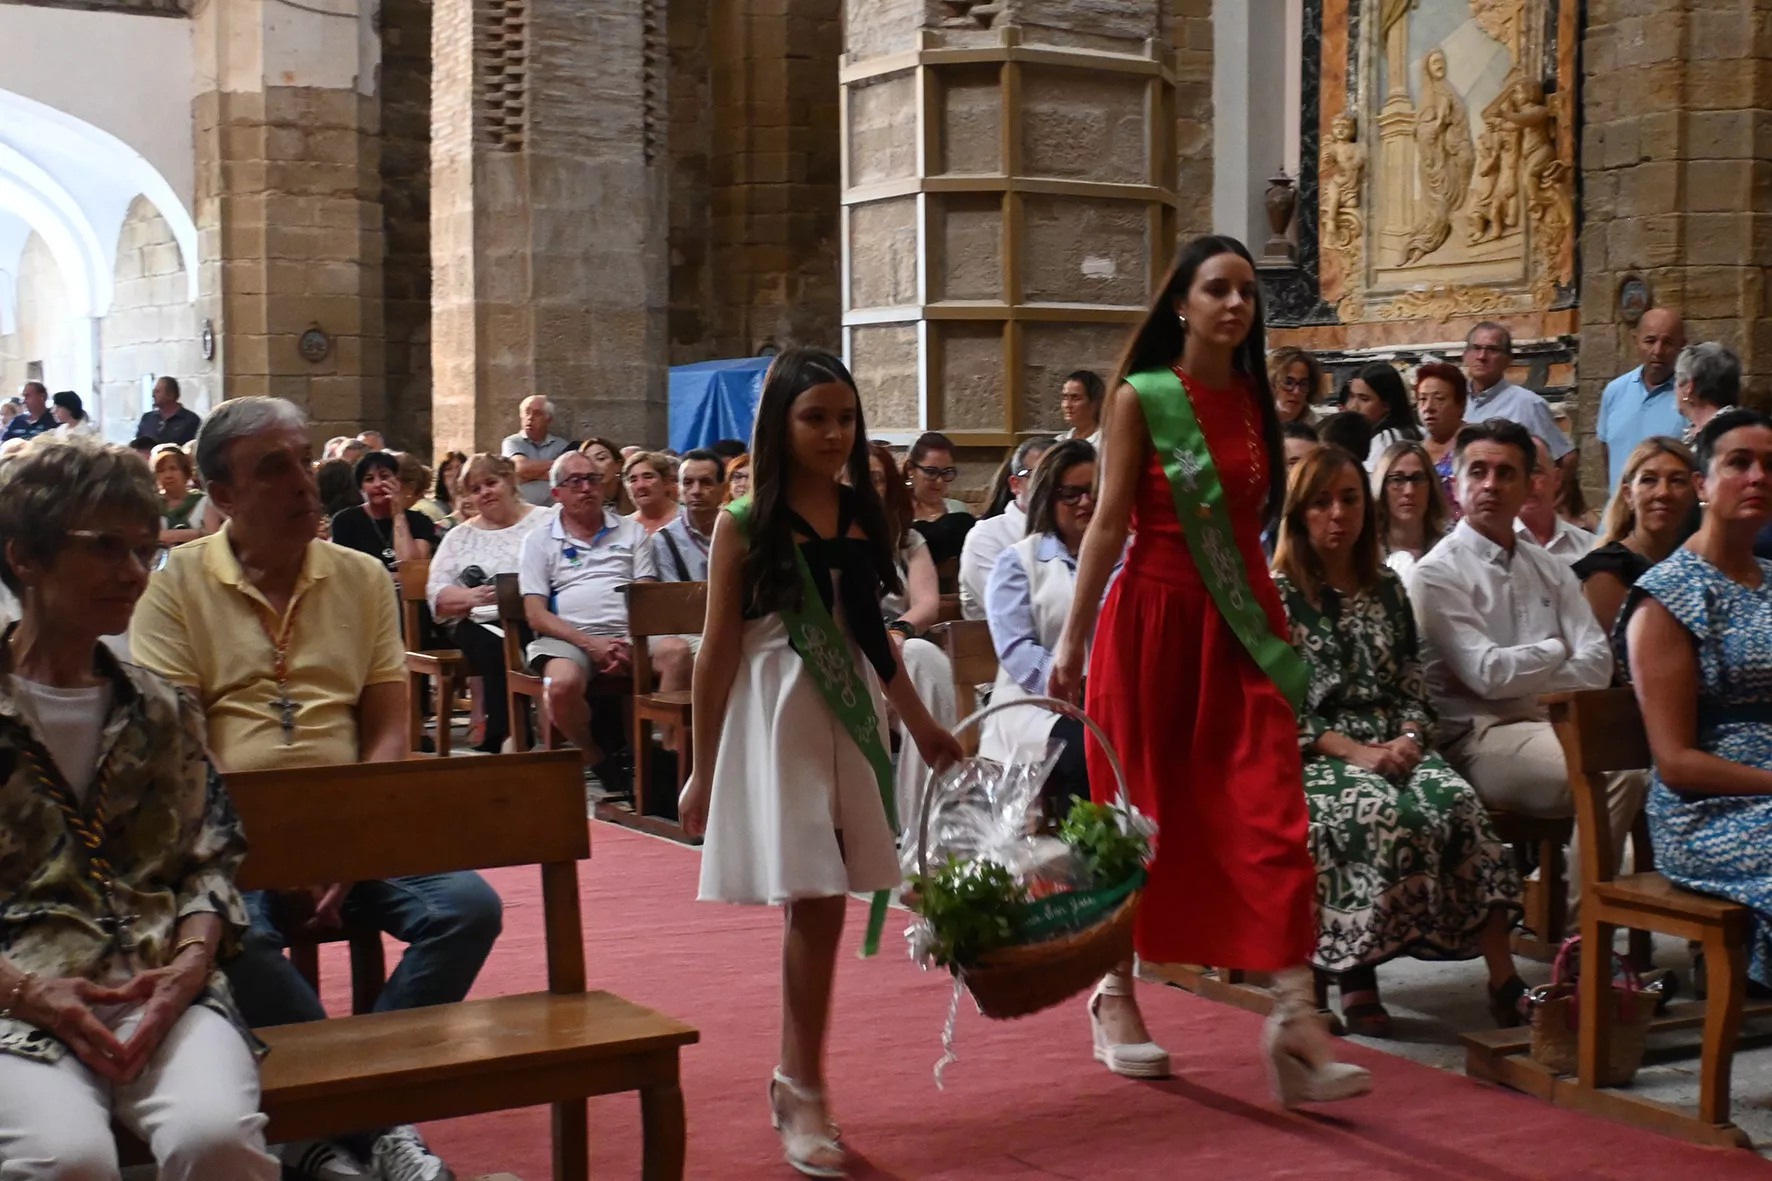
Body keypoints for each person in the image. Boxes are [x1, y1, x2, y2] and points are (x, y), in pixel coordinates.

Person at [131, 396, 493, 1181]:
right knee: (236, 935)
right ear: (221, 495)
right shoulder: (176, 586)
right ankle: (375, 1125)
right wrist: (277, 850)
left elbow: (389, 726)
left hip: (354, 821)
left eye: (303, 460)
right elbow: (185, 750)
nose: (304, 483)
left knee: (466, 908)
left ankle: (338, 1122)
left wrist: (351, 843)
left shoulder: (360, 577)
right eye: (274, 468)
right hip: (229, 839)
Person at [1048, 234, 1369, 1103]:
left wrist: (1278, 618)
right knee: (1139, 816)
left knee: (1270, 813)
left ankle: (1295, 1019)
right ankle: (1115, 996)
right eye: (1218, 289)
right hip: (1151, 620)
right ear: (1181, 302)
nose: (1236, 305)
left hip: (1237, 626)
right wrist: (1072, 642)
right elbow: (1108, 525)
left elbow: (1256, 530)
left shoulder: (1256, 398)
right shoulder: (1142, 397)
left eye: (1247, 293)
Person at [678, 349, 961, 1178]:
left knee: (829, 899)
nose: (835, 434)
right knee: (809, 889)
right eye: (815, 418)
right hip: (776, 708)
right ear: (780, 425)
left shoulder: (862, 512)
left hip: (846, 708)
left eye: (845, 418)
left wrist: (920, 724)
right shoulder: (743, 519)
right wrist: (700, 764)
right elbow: (717, 645)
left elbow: (872, 634)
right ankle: (800, 1086)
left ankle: (799, 1076)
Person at [0, 440, 279, 1181]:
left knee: (215, 1136)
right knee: (66, 1160)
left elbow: (209, 858)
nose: (134, 573)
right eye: (106, 548)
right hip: (15, 998)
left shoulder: (162, 706)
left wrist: (189, 968)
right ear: (24, 556)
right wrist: (30, 993)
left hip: (162, 984)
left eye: (146, 550)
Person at [1271, 444, 1524, 1035]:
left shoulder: (1386, 587)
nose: (1338, 514)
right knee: (1368, 811)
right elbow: (1276, 709)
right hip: (1313, 751)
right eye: (1322, 503)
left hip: (1394, 741)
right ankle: (1347, 973)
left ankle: (1504, 978)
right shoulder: (1276, 594)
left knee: (1456, 804)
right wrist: (1356, 753)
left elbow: (1414, 682)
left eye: (1350, 499)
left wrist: (1409, 737)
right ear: (1298, 513)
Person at [1406, 420, 1643, 887]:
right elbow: (1488, 675)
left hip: (1551, 727)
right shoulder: (1436, 573)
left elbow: (1597, 666)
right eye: (1478, 471)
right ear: (1457, 483)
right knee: (1615, 775)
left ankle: (1589, 920)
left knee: (1642, 767)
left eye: (1505, 473)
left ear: (1529, 485)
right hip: (1477, 739)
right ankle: (1581, 944)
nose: (1490, 485)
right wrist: (1557, 649)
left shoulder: (1551, 567)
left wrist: (1524, 685)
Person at [1625, 408, 1772, 991]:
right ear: (1704, 484)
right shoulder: (1668, 595)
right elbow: (1676, 761)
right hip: (1708, 812)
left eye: (1770, 465)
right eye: (1740, 463)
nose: (1759, 477)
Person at [981, 439, 1101, 815]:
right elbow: (1016, 647)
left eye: (1094, 492)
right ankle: (1084, 854)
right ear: (1049, 497)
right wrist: (1071, 687)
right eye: (1072, 494)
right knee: (1089, 752)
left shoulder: (1127, 556)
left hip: (1109, 698)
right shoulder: (1019, 561)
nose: (1086, 502)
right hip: (1034, 704)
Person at [518, 451, 647, 786]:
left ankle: (658, 761)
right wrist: (591, 645)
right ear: (557, 493)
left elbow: (648, 597)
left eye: (593, 479)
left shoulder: (632, 532)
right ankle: (596, 756)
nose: (586, 488)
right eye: (575, 482)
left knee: (679, 654)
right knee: (560, 686)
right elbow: (535, 614)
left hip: (632, 633)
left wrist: (628, 643)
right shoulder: (538, 540)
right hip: (568, 637)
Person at [427, 453, 548, 753]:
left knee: (527, 637)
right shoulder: (460, 536)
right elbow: (436, 592)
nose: (485, 493)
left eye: (491, 483)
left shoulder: (545, 520)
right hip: (478, 619)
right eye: (476, 489)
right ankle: (507, 732)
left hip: (536, 615)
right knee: (496, 643)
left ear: (509, 480)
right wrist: (470, 597)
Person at [866, 442, 957, 830]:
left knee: (923, 658)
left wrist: (898, 630)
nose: (867, 488)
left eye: (875, 479)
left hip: (899, 645)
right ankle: (927, 825)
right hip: (838, 652)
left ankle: (927, 824)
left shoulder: (905, 539)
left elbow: (926, 603)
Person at [1575, 437, 1696, 637]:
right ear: (1628, 494)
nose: (1663, 493)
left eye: (1677, 481)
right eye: (1649, 480)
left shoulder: (1702, 565)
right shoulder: (1605, 572)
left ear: (1696, 492)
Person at [958, 435, 1055, 619]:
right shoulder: (987, 536)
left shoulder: (1076, 533)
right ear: (1015, 484)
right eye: (1040, 476)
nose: (1051, 486)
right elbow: (1010, 610)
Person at [1597, 308, 1686, 492]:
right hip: (1617, 517)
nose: (1658, 351)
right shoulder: (1615, 392)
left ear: (1682, 346)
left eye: (1668, 342)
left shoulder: (1689, 398)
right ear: (1635, 341)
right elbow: (1607, 454)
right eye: (1650, 341)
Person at [1461, 322, 1571, 466]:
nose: (1482, 356)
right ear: (1465, 355)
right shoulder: (1454, 401)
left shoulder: (1528, 404)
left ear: (1508, 360)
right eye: (1476, 348)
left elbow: (1564, 459)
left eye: (1492, 350)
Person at [328, 451, 437, 572]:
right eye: (369, 479)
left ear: (398, 482)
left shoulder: (420, 520)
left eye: (385, 477)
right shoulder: (345, 521)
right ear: (361, 487)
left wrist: (398, 514)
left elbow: (411, 568)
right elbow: (347, 573)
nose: (378, 484)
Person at [1373, 439, 1450, 579]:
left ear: (1431, 486)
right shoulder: (1368, 554)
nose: (1409, 491)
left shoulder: (1448, 549)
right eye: (1397, 479)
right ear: (1382, 486)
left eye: (1418, 479)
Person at [1515, 434, 1596, 563]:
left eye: (1536, 471)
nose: (1527, 482)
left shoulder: (1590, 549)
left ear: (1557, 478)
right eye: (1517, 472)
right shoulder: (1492, 546)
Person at [904, 431, 975, 567]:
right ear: (910, 470)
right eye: (931, 472)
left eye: (947, 472)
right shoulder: (895, 512)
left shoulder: (958, 510)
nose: (939, 481)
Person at [1340, 363, 1420, 469]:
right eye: (1351, 396)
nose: (1353, 406)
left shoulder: (1386, 440)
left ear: (1386, 405)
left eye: (1364, 399)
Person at [1414, 362, 1468, 515]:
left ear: (1461, 405)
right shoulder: (1416, 451)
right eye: (1422, 399)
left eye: (1440, 399)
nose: (1429, 407)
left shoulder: (1476, 445)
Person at [502, 395, 571, 506]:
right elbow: (520, 468)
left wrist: (528, 474)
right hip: (521, 510)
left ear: (548, 419)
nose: (530, 417)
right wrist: (558, 464)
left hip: (552, 511)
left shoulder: (560, 445)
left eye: (537, 413)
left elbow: (564, 477)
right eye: (527, 412)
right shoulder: (512, 442)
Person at [1674, 340, 1743, 444]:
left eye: (1676, 378)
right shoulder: (1697, 432)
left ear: (1688, 387)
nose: (1674, 386)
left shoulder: (1728, 434)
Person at [153, 444, 207, 546]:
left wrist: (167, 535)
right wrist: (196, 534)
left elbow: (213, 536)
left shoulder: (204, 502)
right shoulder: (151, 505)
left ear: (186, 472)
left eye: (173, 469)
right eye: (161, 471)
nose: (168, 475)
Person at [135, 375, 203, 446]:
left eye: (157, 392)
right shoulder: (147, 418)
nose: (153, 395)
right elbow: (136, 447)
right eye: (153, 391)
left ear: (170, 395)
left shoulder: (190, 420)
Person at [623, 450, 679, 535]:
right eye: (633, 480)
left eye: (648, 477)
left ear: (666, 482)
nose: (640, 485)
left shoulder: (688, 520)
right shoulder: (623, 527)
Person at [1267, 347, 1325, 425]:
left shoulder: (1319, 429)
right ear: (1270, 384)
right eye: (1288, 383)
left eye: (1303, 384)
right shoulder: (1251, 423)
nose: (1297, 391)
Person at [414, 450, 467, 528]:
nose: (455, 473)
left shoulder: (477, 502)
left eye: (459, 468)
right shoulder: (431, 508)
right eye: (449, 469)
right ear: (442, 477)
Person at [1058, 370, 1106, 448]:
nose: (1067, 405)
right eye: (1065, 398)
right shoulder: (1058, 443)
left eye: (1075, 398)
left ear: (1094, 402)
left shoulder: (1107, 445)